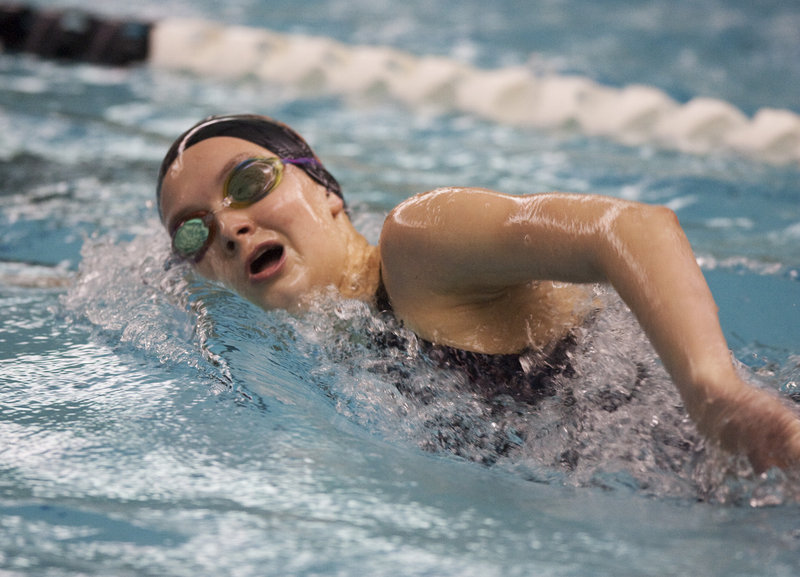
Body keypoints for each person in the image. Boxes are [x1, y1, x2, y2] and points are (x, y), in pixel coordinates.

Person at [157, 113, 800, 474]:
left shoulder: (417, 244)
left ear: (325, 191)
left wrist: (718, 394)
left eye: (248, 183)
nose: (232, 228)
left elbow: (631, 227)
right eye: (195, 233)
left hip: (752, 441)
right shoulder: (332, 340)